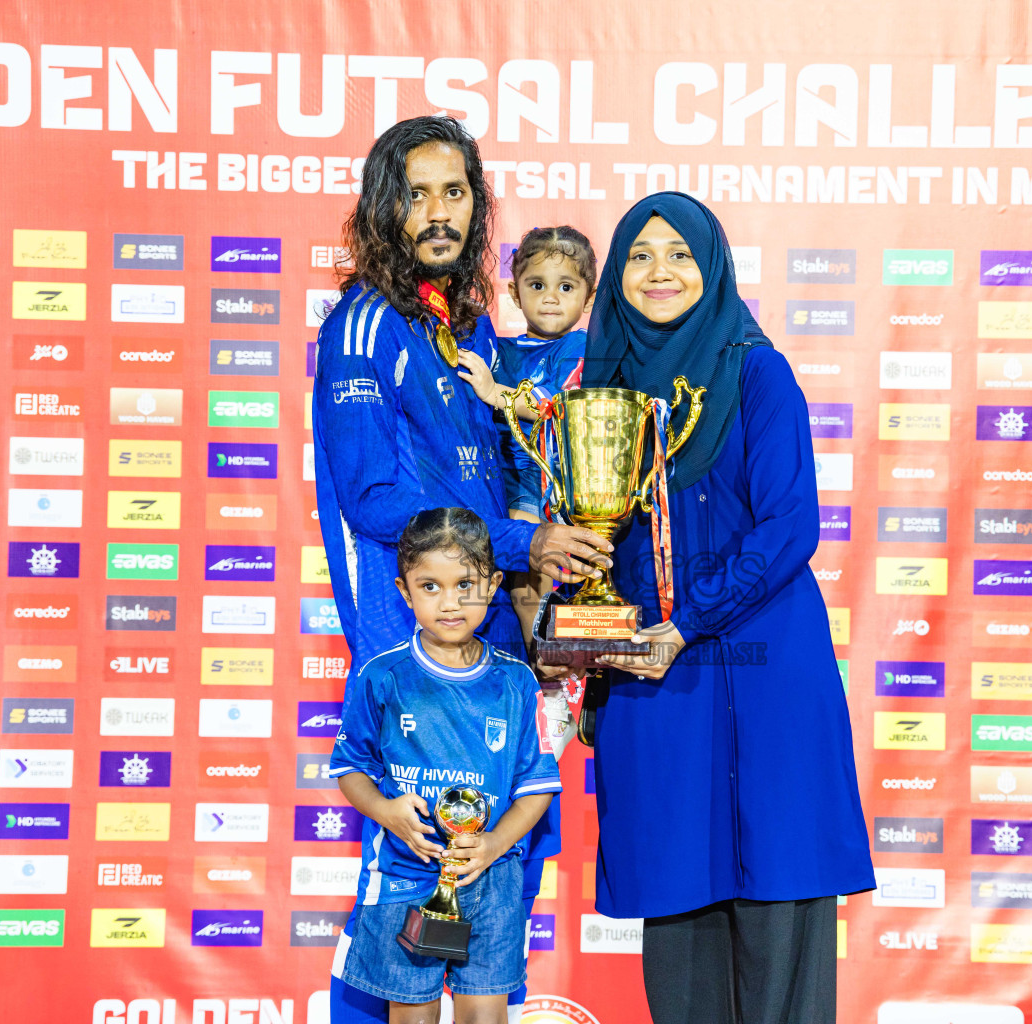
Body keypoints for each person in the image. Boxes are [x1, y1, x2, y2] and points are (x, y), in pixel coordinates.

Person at [314, 115, 609, 1024]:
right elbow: (375, 498)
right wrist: (522, 547)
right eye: (416, 194)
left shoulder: (469, 328)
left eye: (455, 192)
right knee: (407, 888)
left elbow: (504, 474)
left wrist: (547, 564)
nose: (439, 213)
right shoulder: (363, 326)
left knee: (501, 872)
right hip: (415, 652)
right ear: (384, 207)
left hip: (495, 642)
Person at [582, 193, 875, 1024]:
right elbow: (597, 539)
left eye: (680, 253)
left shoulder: (756, 373)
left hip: (760, 664)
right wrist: (580, 617)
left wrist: (686, 622)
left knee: (778, 896)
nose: (660, 271)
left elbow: (789, 526)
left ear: (711, 266)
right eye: (640, 255)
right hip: (656, 680)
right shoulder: (597, 388)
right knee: (677, 912)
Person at [329, 508, 562, 1024]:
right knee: (412, 1014)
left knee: (486, 1015)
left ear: (493, 585)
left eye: (466, 585)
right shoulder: (382, 676)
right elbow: (350, 769)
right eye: (430, 586)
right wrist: (386, 812)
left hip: (493, 877)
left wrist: (495, 844)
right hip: (404, 875)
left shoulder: (516, 682)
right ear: (404, 591)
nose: (450, 602)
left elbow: (538, 786)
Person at [455, 225, 597, 654]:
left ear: (589, 298)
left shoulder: (579, 347)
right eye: (537, 285)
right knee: (509, 574)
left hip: (542, 481)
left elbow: (554, 407)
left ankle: (545, 651)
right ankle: (532, 652)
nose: (550, 297)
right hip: (493, 479)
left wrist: (494, 392)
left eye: (566, 287)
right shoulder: (498, 348)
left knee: (533, 565)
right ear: (515, 293)